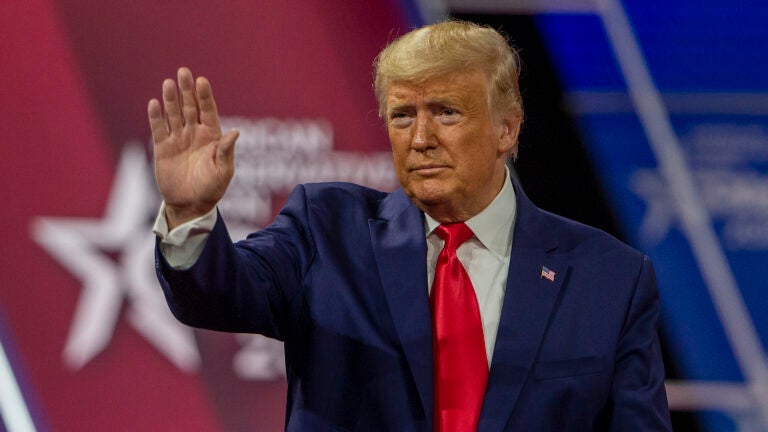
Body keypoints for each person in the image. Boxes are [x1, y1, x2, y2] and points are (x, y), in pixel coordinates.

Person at [149, 20, 671, 431]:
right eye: (402, 116)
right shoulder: (326, 231)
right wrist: (190, 214)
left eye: (446, 112)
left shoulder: (610, 278)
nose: (420, 138)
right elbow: (217, 294)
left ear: (506, 129)